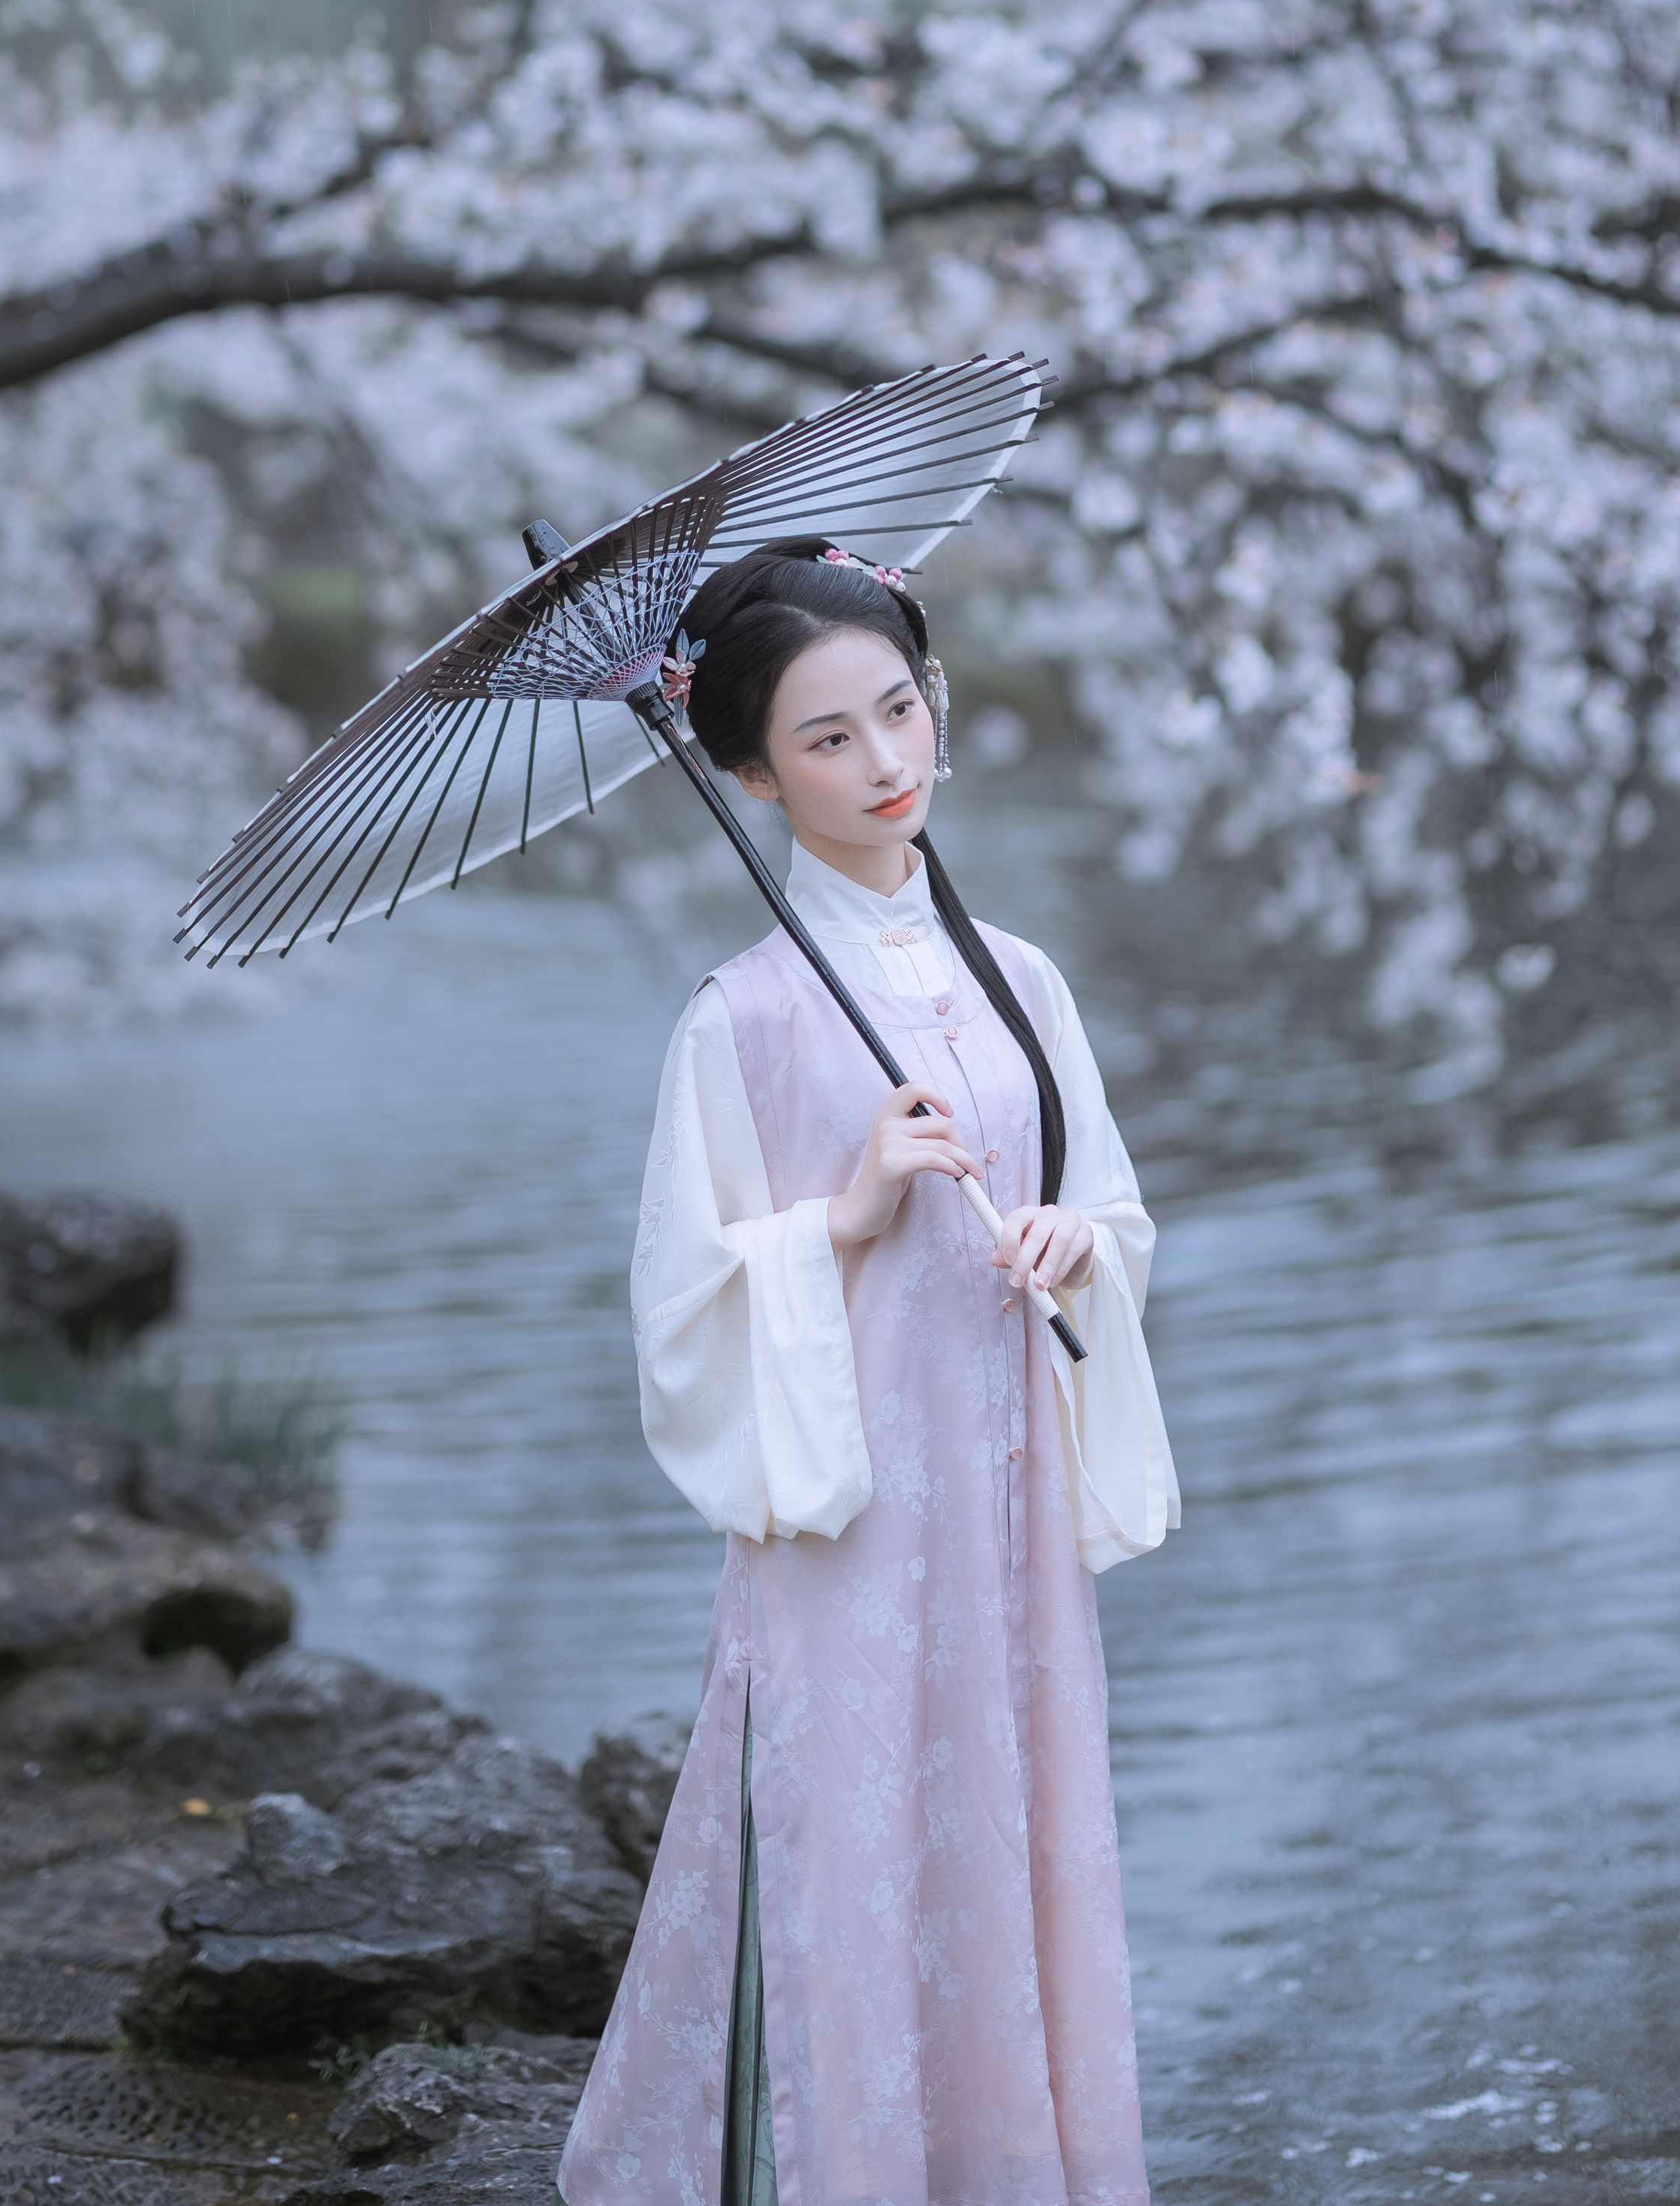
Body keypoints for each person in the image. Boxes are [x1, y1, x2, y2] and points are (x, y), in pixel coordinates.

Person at [557, 539, 1179, 2206]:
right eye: (828, 740)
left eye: (899, 712)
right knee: (857, 1858)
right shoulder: (740, 1019)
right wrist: (836, 1214)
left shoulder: (1020, 977)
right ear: (749, 771)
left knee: (1019, 1834)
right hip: (851, 1530)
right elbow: (683, 1309)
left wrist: (1070, 1241)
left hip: (1008, 1496)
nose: (884, 764)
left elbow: (1111, 1201)